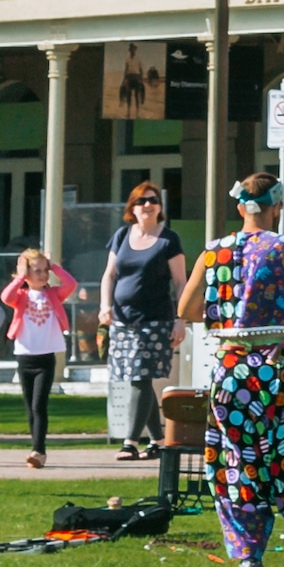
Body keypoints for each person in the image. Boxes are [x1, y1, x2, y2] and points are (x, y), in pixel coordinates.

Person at [179, 173, 284, 567]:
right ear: (277, 207)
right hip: (277, 373)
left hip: (231, 371)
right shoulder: (283, 248)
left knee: (238, 462)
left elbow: (186, 310)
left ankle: (249, 556)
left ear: (240, 208)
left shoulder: (211, 252)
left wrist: (226, 316)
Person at [102, 183, 181, 459]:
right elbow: (109, 275)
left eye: (153, 200)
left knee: (140, 377)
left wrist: (180, 319)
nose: (148, 205)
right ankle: (158, 440)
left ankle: (130, 442)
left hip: (155, 320)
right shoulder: (122, 235)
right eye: (142, 201)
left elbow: (181, 282)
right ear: (131, 208)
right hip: (124, 321)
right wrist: (105, 307)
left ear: (159, 207)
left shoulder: (169, 239)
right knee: (138, 380)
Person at [1, 248, 83, 466]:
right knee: (30, 407)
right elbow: (5, 296)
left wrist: (54, 266)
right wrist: (20, 276)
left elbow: (71, 284)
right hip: (25, 356)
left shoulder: (53, 294)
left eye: (44, 270)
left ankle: (39, 451)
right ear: (26, 273)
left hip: (46, 357)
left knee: (39, 405)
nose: (42, 275)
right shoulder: (21, 296)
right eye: (35, 270)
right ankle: (35, 447)